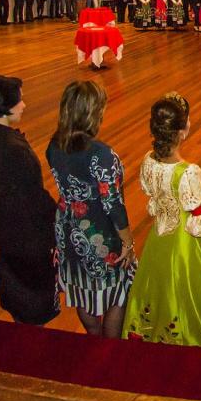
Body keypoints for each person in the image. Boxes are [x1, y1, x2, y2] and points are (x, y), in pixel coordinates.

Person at [124, 93, 201, 346]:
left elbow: (151, 193)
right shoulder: (188, 173)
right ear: (182, 131)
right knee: (185, 297)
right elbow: (200, 216)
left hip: (158, 239)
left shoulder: (148, 161)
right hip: (184, 245)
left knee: (158, 291)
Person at [49, 80, 136, 336]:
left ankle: (93, 338)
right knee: (118, 293)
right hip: (99, 232)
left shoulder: (54, 145)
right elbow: (113, 204)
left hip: (68, 229)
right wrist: (127, 241)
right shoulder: (102, 154)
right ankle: (110, 347)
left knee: (81, 288)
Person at [0, 75, 59, 325]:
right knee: (34, 303)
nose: (24, 105)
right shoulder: (12, 148)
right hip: (26, 235)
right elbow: (32, 196)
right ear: (6, 105)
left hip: (2, 229)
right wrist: (59, 217)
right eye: (19, 100)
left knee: (17, 298)